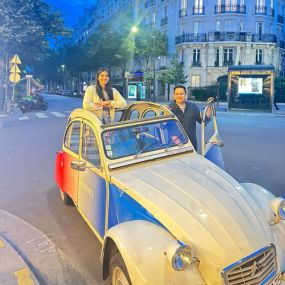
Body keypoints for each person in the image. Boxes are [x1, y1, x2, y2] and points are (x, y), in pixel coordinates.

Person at [168, 85, 211, 151]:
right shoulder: (168, 109)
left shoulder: (193, 107)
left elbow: (202, 121)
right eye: (177, 94)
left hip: (191, 144)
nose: (179, 96)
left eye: (182, 94)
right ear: (174, 96)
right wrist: (165, 114)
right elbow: (162, 126)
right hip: (174, 144)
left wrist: (209, 109)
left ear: (185, 95)